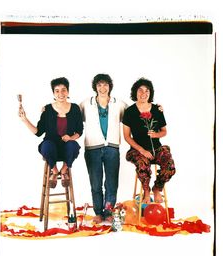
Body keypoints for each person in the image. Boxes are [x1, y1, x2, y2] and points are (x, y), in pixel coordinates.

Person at [19, 77, 83, 188]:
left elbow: (79, 131)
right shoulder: (47, 109)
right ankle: (54, 170)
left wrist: (71, 138)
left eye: (63, 90)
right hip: (50, 149)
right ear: (53, 93)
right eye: (57, 91)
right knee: (47, 145)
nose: (61, 93)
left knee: (73, 145)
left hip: (67, 148)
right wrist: (25, 120)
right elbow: (38, 132)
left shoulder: (75, 108)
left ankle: (64, 170)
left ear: (68, 91)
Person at [80, 74, 127, 223]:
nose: (102, 88)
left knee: (112, 182)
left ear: (110, 87)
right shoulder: (86, 104)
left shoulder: (118, 104)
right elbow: (70, 113)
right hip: (92, 147)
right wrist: (49, 109)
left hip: (112, 147)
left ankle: (109, 211)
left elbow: (134, 114)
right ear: (95, 87)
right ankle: (98, 212)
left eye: (105, 85)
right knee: (96, 183)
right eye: (99, 85)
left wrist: (157, 108)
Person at [122, 77, 176, 204]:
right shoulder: (129, 112)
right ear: (135, 92)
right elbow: (126, 136)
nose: (143, 94)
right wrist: (142, 150)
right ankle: (146, 190)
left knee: (170, 165)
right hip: (137, 150)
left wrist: (156, 135)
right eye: (140, 90)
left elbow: (164, 131)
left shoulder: (157, 109)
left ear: (150, 93)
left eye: (147, 91)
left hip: (156, 149)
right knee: (142, 163)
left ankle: (157, 188)